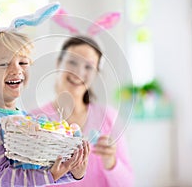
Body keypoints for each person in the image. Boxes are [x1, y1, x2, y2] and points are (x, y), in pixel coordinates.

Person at [0, 30, 90, 186]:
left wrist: (73, 172)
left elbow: (40, 171)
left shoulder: (25, 120)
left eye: (23, 63)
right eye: (4, 64)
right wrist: (51, 175)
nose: (17, 69)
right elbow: (1, 175)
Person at [31, 35, 134, 187]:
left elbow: (128, 183)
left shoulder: (108, 117)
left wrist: (111, 163)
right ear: (59, 63)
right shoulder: (34, 120)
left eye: (88, 67)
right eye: (72, 62)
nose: (79, 72)